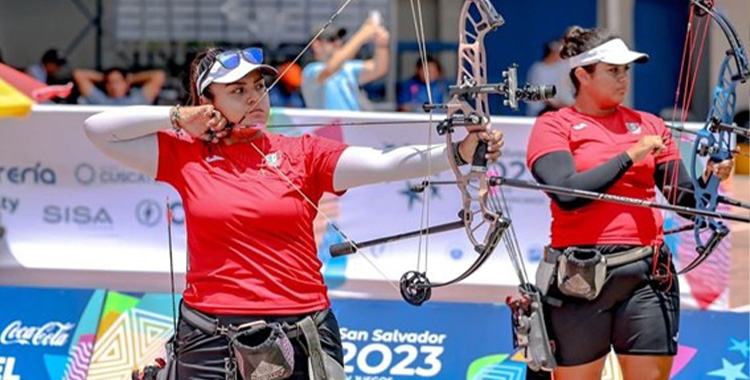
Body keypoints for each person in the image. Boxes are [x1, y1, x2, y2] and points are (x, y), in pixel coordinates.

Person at [84, 47, 503, 379]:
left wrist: (461, 151)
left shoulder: (302, 154)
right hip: (208, 338)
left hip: (300, 335)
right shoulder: (187, 156)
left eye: (258, 87)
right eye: (238, 91)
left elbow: (386, 163)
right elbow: (97, 130)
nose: (255, 99)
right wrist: (177, 118)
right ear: (205, 104)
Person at [525, 26, 734, 380]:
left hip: (647, 276)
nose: (624, 79)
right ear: (582, 74)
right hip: (581, 277)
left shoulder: (649, 125)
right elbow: (567, 194)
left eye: (626, 70)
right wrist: (629, 155)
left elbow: (685, 201)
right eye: (613, 70)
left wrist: (711, 177)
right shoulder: (555, 124)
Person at [301, 15, 389, 111]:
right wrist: (362, 35)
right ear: (317, 45)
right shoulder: (310, 70)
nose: (338, 43)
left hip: (351, 125)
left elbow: (379, 69)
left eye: (339, 38)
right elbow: (330, 70)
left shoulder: (347, 67)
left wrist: (381, 45)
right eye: (332, 39)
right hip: (327, 125)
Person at [526, 40, 574, 116]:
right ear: (551, 53)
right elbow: (544, 97)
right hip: (540, 111)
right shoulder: (538, 68)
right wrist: (561, 106)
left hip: (557, 109)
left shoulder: (560, 67)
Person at [73, 67, 165, 105]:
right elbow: (79, 74)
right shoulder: (100, 100)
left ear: (126, 84)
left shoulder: (138, 99)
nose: (114, 86)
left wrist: (132, 78)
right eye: (110, 82)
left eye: (117, 82)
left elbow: (158, 75)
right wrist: (103, 78)